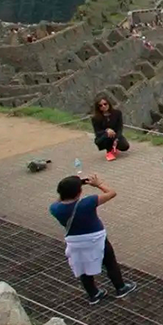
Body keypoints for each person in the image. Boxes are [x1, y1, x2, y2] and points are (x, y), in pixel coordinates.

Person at [48, 174, 136, 305]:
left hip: (75, 242)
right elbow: (112, 193)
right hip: (96, 238)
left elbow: (60, 200)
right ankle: (120, 287)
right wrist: (98, 184)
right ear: (79, 192)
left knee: (82, 267)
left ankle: (94, 294)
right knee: (110, 262)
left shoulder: (55, 209)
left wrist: (67, 191)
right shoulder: (87, 202)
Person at [91, 97, 130, 161]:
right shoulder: (95, 118)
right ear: (98, 107)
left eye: (105, 104)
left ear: (108, 104)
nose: (103, 106)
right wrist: (106, 131)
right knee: (108, 135)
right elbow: (97, 132)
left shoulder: (117, 113)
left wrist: (117, 138)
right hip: (104, 136)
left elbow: (120, 127)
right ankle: (109, 151)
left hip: (115, 134)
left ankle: (114, 147)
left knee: (125, 146)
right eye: (100, 105)